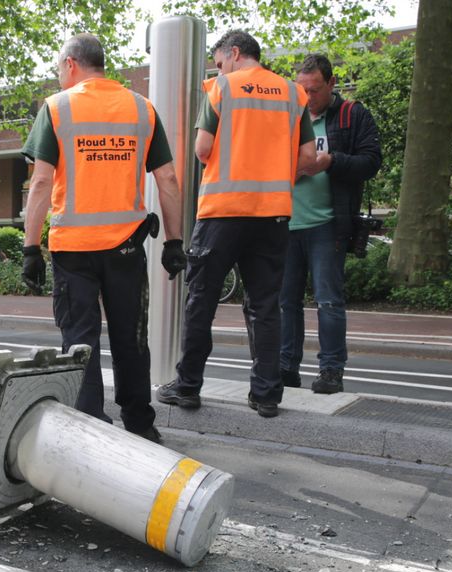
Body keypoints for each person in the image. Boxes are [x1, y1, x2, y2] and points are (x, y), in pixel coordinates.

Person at [20, 33, 186, 444]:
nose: (60, 76)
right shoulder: (141, 108)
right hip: (126, 246)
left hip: (73, 250)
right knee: (130, 336)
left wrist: (30, 246)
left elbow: (41, 182)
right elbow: (167, 178)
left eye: (60, 68)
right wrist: (174, 241)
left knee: (80, 339)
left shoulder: (56, 108)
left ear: (71, 64)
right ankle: (140, 422)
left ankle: (91, 426)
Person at [156, 30, 315, 419]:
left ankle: (189, 387)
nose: (218, 68)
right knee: (265, 306)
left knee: (202, 300)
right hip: (273, 214)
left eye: (220, 61)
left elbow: (202, 149)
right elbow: (308, 158)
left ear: (235, 53)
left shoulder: (222, 88)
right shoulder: (294, 94)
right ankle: (265, 395)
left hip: (223, 212)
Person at [280, 54, 382, 394]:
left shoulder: (352, 116)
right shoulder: (288, 117)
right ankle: (285, 368)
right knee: (285, 302)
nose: (309, 98)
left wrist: (331, 161)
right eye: (303, 90)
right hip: (286, 222)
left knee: (328, 300)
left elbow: (370, 162)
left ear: (332, 83)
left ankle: (331, 371)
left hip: (327, 223)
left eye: (316, 90)